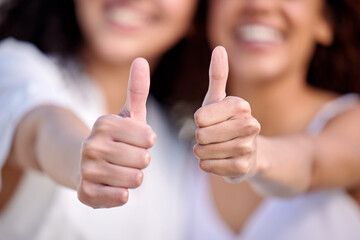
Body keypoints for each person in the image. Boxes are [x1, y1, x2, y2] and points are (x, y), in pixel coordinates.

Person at [0, 0, 203, 239]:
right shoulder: (15, 69)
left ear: (197, 15)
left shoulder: (178, 145)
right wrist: (80, 158)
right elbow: (40, 128)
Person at [171, 0, 360, 239]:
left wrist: (257, 154)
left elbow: (311, 162)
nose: (260, 4)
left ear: (326, 20)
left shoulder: (353, 121)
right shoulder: (178, 144)